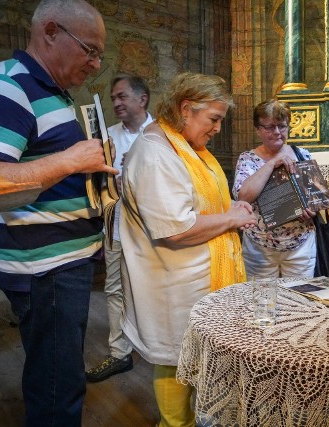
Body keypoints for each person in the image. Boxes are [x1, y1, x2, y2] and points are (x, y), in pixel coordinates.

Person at [0, 1, 116, 425]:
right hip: (45, 270)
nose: (95, 64)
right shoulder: (6, 87)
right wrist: (69, 161)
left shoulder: (53, 91)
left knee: (59, 378)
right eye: (90, 50)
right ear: (50, 31)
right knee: (56, 388)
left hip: (62, 263)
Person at [120, 72, 256, 427]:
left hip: (197, 280)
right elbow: (176, 230)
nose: (217, 129)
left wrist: (232, 212)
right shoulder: (155, 153)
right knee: (176, 363)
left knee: (197, 363)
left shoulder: (183, 147)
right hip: (175, 283)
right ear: (185, 109)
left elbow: (202, 207)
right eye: (214, 119)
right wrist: (231, 219)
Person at [85, 74, 154, 383]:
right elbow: (94, 185)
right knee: (113, 289)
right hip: (115, 227)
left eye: (122, 96)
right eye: (113, 98)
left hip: (152, 231)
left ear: (142, 99)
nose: (116, 103)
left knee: (151, 289)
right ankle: (119, 352)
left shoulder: (162, 136)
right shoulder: (106, 137)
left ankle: (156, 347)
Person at [232, 99, 316, 278]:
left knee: (299, 300)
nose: (277, 132)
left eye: (282, 126)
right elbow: (243, 198)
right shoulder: (248, 159)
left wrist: (311, 210)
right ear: (258, 129)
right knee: (261, 301)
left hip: (300, 244)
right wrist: (271, 164)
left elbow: (314, 198)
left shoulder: (303, 154)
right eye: (270, 127)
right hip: (260, 247)